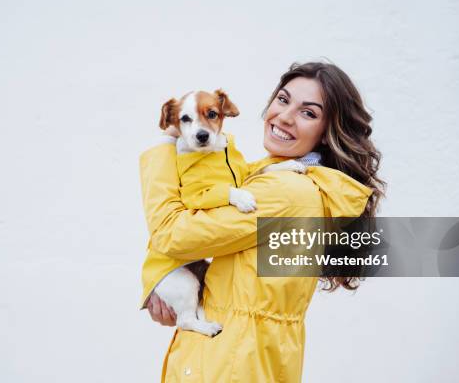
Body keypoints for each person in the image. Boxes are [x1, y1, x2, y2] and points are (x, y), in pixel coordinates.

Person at [140, 61, 385, 382]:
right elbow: (237, 275)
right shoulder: (279, 179)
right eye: (283, 100)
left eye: (308, 113)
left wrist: (166, 142)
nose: (284, 116)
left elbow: (172, 235)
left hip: (228, 363)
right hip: (239, 355)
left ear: (327, 133)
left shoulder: (286, 193)